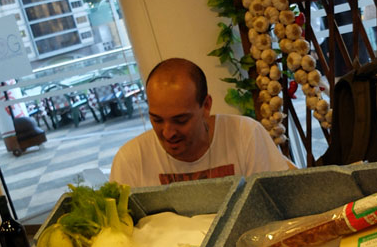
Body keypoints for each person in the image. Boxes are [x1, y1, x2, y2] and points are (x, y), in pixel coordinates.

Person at [110, 58, 292, 186]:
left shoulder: (245, 135)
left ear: (206, 106)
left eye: (180, 120)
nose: (168, 133)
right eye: (157, 120)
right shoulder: (131, 160)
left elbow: (278, 205)